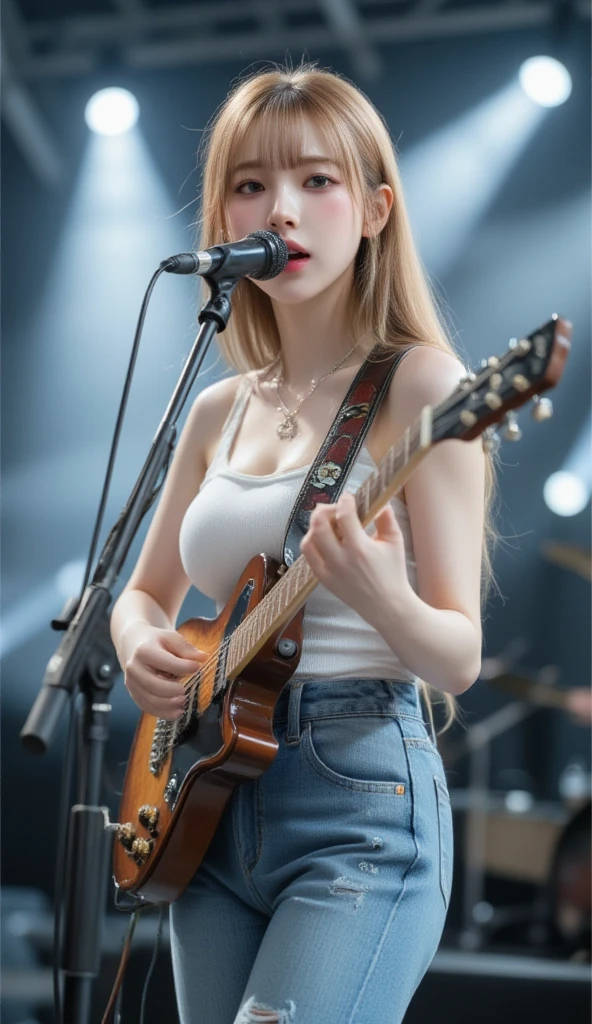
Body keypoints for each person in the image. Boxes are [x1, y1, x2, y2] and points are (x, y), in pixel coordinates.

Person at [110, 62, 494, 1024]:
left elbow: (457, 656)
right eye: (250, 184)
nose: (281, 206)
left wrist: (377, 595)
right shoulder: (214, 409)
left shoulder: (421, 386)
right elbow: (139, 595)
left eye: (318, 180)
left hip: (356, 794)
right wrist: (135, 648)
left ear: (374, 210)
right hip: (205, 793)